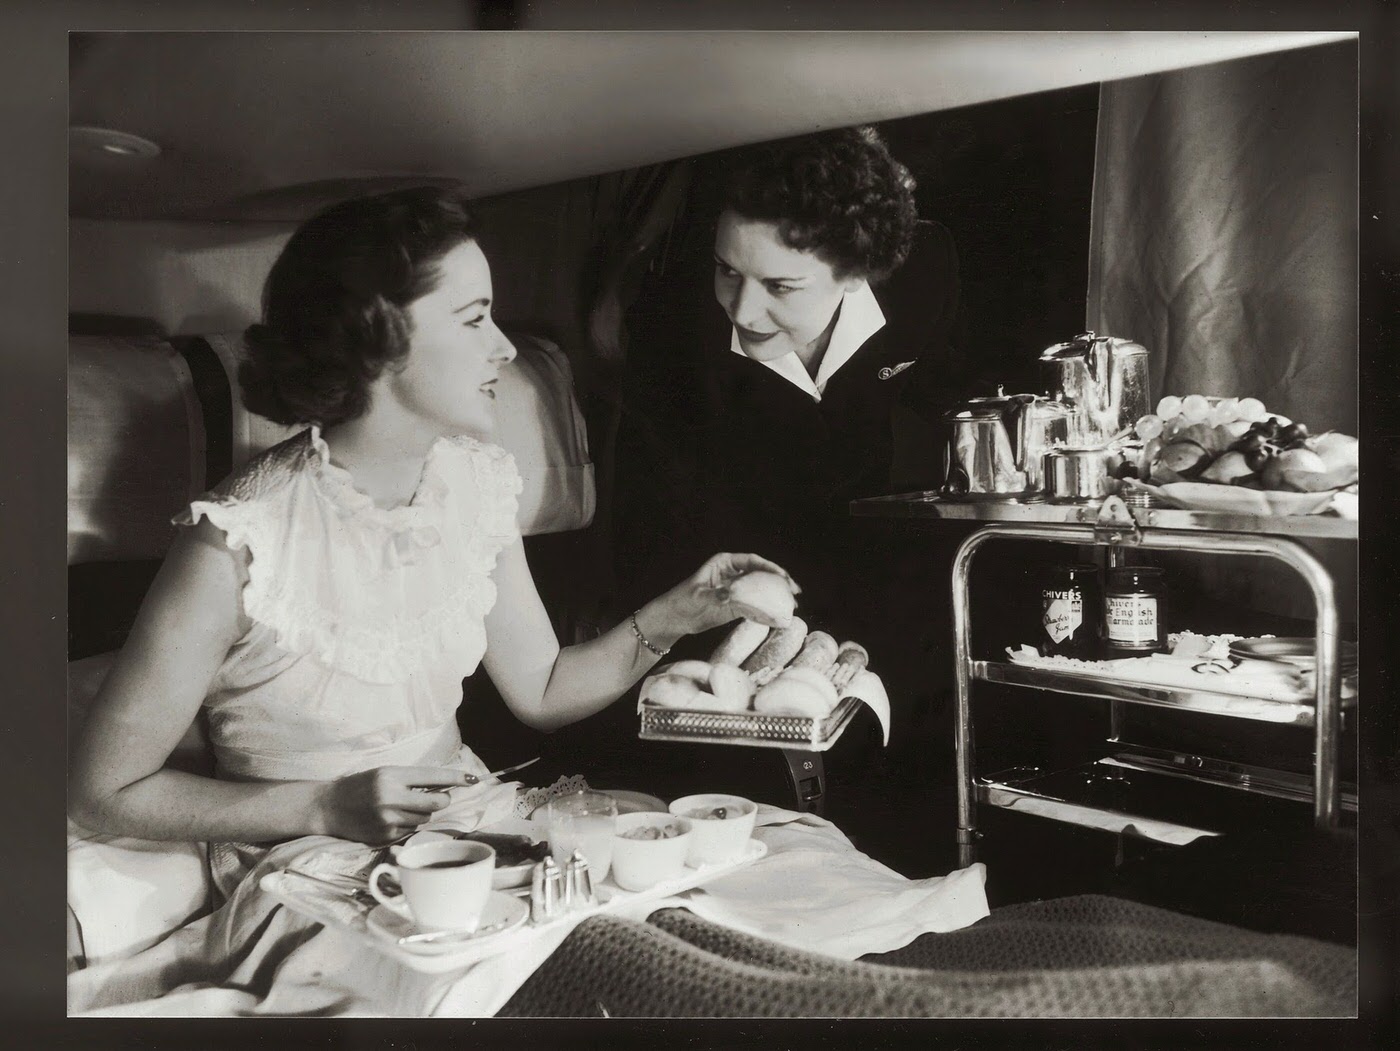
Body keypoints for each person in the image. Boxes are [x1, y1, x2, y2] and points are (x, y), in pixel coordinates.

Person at [66, 186, 795, 1013]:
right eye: (475, 318)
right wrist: (320, 804)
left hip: (475, 832)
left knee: (695, 923)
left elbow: (545, 689)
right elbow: (103, 789)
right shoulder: (239, 542)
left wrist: (678, 613)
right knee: (606, 978)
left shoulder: (476, 484)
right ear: (380, 337)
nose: (505, 349)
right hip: (314, 876)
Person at [571, 126, 971, 797]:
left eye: (781, 285)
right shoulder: (673, 328)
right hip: (728, 566)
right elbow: (651, 515)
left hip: (867, 551)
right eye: (728, 270)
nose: (742, 308)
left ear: (856, 273)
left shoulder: (924, 277)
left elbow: (941, 396)